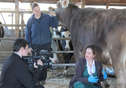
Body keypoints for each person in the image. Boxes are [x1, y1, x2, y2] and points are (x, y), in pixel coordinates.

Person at [25, 3, 58, 81]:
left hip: (46, 44)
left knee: (44, 62)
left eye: (39, 9)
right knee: (35, 63)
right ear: (32, 11)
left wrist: (54, 16)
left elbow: (55, 25)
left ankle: (43, 80)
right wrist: (28, 46)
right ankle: (35, 80)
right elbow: (27, 34)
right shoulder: (30, 21)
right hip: (35, 45)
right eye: (36, 10)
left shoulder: (46, 17)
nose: (38, 11)